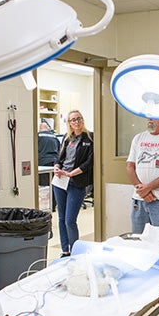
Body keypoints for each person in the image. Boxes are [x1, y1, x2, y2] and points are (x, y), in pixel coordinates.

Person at [53, 110, 93, 257]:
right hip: (60, 181)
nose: (77, 122)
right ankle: (65, 250)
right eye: (73, 120)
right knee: (61, 218)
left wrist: (71, 173)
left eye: (79, 118)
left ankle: (75, 251)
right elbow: (60, 157)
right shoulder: (67, 138)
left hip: (76, 182)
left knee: (70, 220)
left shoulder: (90, 137)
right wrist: (56, 166)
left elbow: (89, 162)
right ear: (69, 123)